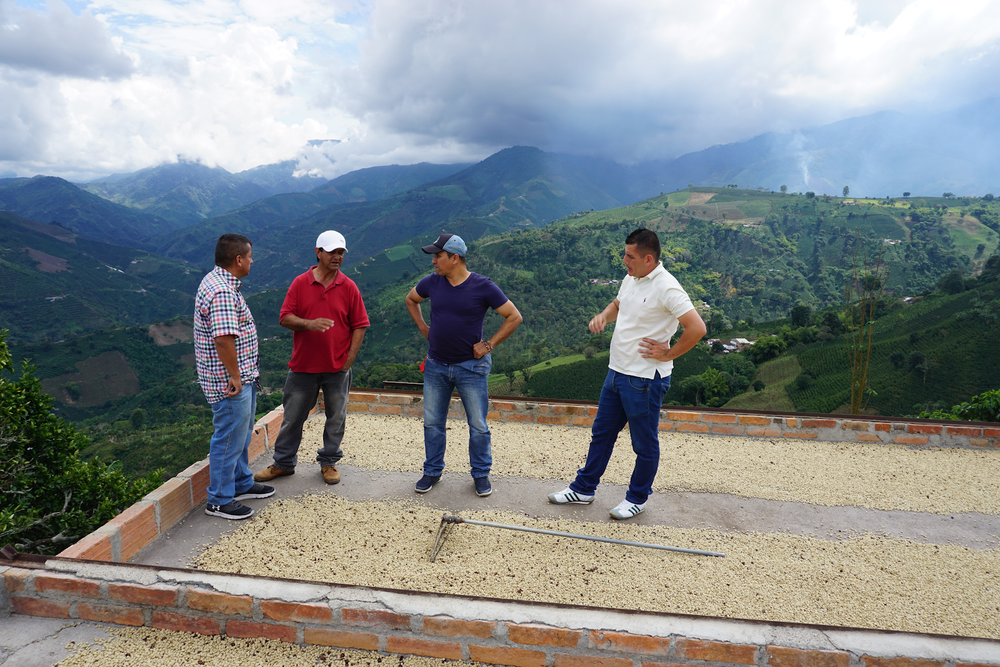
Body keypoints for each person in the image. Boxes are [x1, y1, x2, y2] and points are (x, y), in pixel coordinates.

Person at [548, 228, 706, 520]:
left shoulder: (667, 287)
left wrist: (668, 354)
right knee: (601, 435)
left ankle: (637, 498)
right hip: (617, 372)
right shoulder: (631, 278)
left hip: (645, 379)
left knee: (643, 443)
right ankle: (583, 489)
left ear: (648, 259)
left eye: (630, 256)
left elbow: (697, 328)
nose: (624, 260)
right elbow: (618, 305)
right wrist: (603, 316)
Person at [405, 233, 523, 497]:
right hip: (436, 365)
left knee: (478, 425)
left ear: (454, 258)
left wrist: (489, 345)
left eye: (438, 256)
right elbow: (410, 299)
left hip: (471, 368)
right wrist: (424, 328)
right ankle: (432, 471)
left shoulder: (483, 286)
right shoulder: (432, 282)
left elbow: (514, 316)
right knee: (432, 423)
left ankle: (480, 475)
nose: (433, 261)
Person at [254, 230, 370, 486]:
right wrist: (309, 324)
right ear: (318, 252)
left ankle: (329, 462)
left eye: (340, 253)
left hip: (337, 367)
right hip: (303, 366)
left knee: (336, 417)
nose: (337, 257)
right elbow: (285, 317)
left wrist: (349, 359)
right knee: (292, 417)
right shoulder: (300, 283)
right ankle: (283, 463)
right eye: (332, 252)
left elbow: (360, 324)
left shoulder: (349, 286)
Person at [195, 233, 275, 520]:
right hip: (229, 382)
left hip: (239, 377)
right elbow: (223, 339)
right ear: (238, 260)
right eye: (250, 257)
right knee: (229, 437)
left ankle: (240, 483)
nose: (253, 261)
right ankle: (218, 499)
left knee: (240, 434)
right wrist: (236, 376)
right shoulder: (222, 292)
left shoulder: (218, 282)